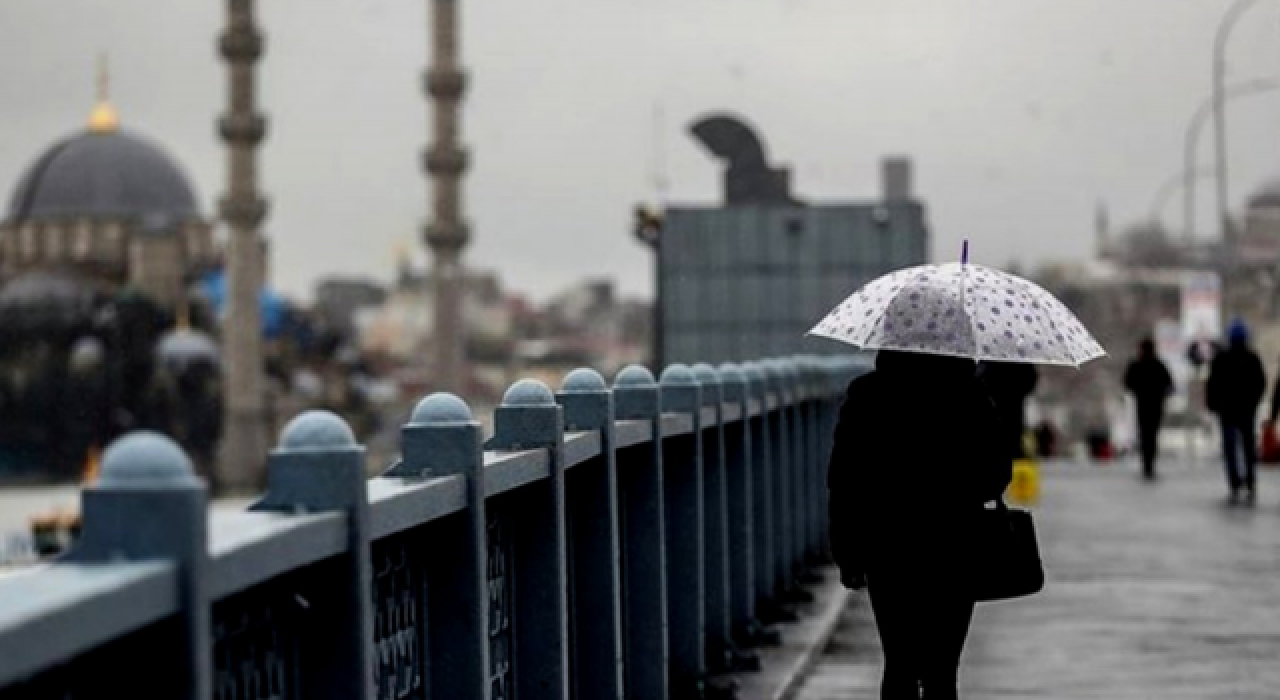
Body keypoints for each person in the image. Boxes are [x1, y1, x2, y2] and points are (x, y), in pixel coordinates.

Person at [828, 350, 1011, 699]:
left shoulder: (867, 395)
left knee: (899, 664)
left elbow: (845, 480)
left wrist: (847, 553)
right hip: (956, 544)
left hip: (887, 546)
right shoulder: (970, 395)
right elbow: (997, 473)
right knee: (942, 671)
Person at [1206, 319, 1266, 504]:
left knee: (1230, 447)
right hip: (1246, 410)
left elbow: (1212, 384)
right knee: (1248, 447)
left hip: (1227, 411)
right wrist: (1254, 402)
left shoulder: (1221, 359)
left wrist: (1213, 404)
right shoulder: (1252, 358)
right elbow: (1260, 383)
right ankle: (1250, 481)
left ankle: (1234, 483)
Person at [1123, 338, 1174, 480]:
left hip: (1143, 405)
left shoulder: (1136, 365)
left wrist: (1138, 390)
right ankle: (1149, 464)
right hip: (1155, 406)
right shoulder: (1158, 365)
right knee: (1151, 435)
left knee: (1145, 435)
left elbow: (1127, 383)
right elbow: (1169, 384)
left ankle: (1147, 464)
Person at [979, 361, 1039, 461]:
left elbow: (983, 377)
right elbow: (1031, 378)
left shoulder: (991, 358)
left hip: (997, 405)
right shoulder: (1020, 357)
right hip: (1013, 407)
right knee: (1012, 438)